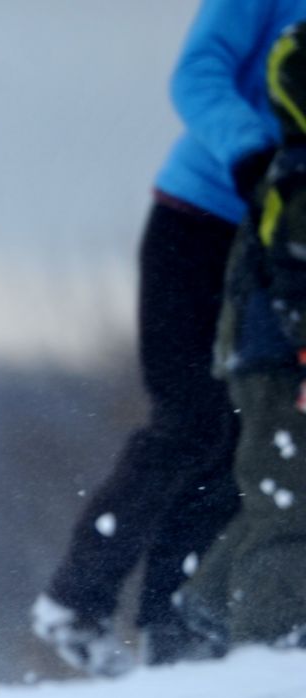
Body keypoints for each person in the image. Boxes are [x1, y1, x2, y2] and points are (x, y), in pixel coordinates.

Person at [33, 0, 306, 674]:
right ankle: (78, 597)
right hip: (199, 218)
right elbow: (196, 73)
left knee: (236, 431)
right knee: (189, 417)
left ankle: (171, 625)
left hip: (271, 240)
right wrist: (253, 151)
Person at [179, 21, 306, 649]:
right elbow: (293, 272)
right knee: (290, 504)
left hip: (275, 349)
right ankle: (270, 650)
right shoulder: (297, 175)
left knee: (281, 489)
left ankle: (208, 602)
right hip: (283, 355)